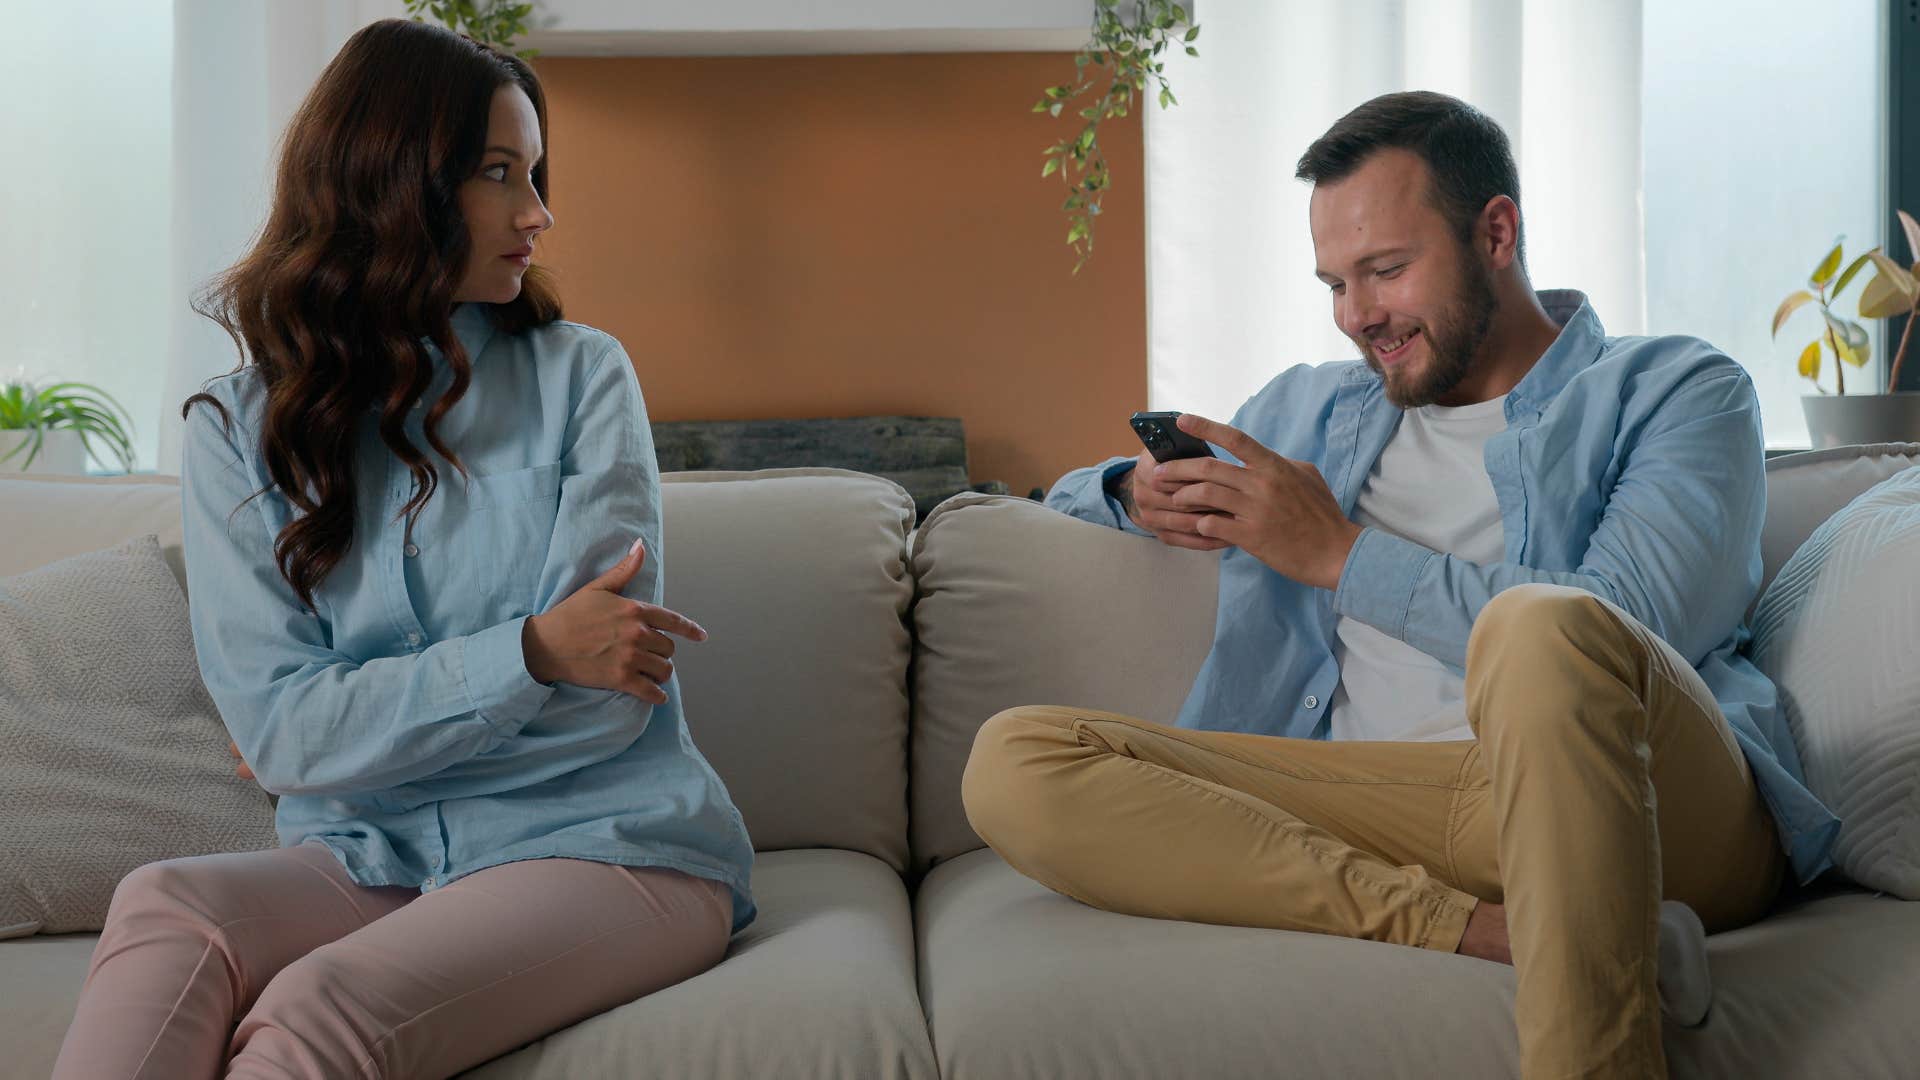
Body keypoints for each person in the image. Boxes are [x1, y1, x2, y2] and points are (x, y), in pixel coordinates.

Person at [961, 91, 1837, 1080]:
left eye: (1385, 270)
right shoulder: (1307, 409)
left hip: (1635, 787)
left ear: (1496, 232)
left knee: (1542, 632)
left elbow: (1629, 632)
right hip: (1399, 811)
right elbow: (1061, 498)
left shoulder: (1675, 390)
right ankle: (1487, 930)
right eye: (1335, 282)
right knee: (1018, 760)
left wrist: (1339, 555)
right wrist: (1129, 490)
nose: (1356, 315)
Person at [51, 20, 753, 1079]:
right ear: (395, 186)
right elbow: (288, 737)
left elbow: (602, 685)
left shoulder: (583, 379)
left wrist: (361, 717)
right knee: (167, 905)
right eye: (499, 174)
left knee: (318, 1007)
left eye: (537, 172)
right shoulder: (239, 429)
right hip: (370, 854)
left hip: (603, 842)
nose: (540, 212)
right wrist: (525, 652)